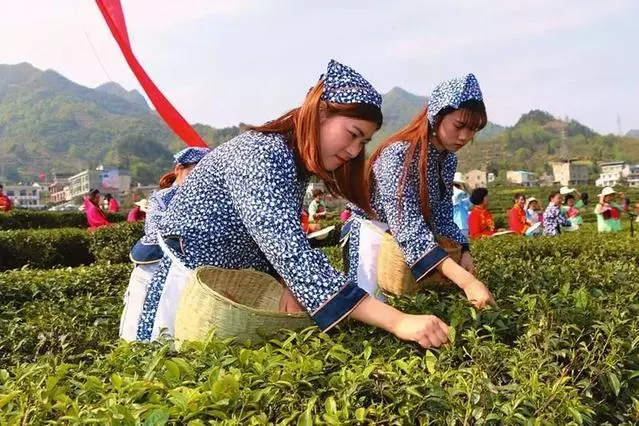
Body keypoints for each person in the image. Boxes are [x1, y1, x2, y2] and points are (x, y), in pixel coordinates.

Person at [136, 60, 453, 348]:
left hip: (221, 289)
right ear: (320, 114)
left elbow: (280, 244)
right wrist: (399, 320)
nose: (355, 151)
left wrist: (287, 281)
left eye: (363, 142)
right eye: (353, 134)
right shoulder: (260, 155)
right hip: (179, 284)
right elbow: (293, 254)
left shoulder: (292, 161)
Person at [343, 73, 496, 346]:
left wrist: (464, 250)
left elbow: (441, 216)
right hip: (372, 237)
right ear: (436, 116)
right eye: (459, 125)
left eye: (473, 129)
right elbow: (409, 227)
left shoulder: (446, 159)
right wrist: (467, 282)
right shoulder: (398, 154)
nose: (465, 136)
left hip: (402, 245)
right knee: (370, 319)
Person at [119, 147, 211, 341]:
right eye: (194, 172)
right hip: (154, 262)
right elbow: (155, 231)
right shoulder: (162, 197)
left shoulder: (206, 199)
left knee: (174, 321)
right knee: (146, 317)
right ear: (179, 169)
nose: (198, 180)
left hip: (186, 268)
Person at [452, 172, 472, 237]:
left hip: (464, 224)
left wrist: (466, 189)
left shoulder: (463, 197)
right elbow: (456, 197)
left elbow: (470, 203)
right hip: (457, 224)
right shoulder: (455, 194)